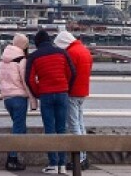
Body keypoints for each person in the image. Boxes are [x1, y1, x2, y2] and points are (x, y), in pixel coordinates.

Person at [25, 30, 75, 174]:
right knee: (62, 128)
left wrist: (37, 93)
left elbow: (29, 79)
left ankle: (53, 164)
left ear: (37, 43)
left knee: (50, 129)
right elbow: (72, 72)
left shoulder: (33, 57)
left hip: (46, 94)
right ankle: (62, 165)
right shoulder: (62, 53)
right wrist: (66, 88)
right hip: (62, 93)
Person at [0, 33, 38, 172]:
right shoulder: (21, 60)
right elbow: (25, 82)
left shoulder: (3, 59)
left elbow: (1, 80)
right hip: (19, 98)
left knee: (19, 127)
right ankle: (12, 159)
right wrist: (33, 101)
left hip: (7, 98)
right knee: (18, 129)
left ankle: (15, 157)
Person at [54, 30, 93, 171]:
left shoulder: (70, 53)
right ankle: (84, 154)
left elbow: (66, 73)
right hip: (83, 91)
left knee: (73, 124)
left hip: (72, 92)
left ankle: (80, 158)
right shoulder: (84, 51)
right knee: (81, 123)